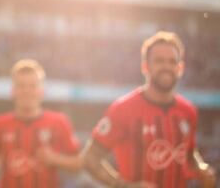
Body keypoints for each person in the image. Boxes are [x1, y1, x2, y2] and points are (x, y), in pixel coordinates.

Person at [82, 31, 217, 188]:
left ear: (180, 68)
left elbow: (188, 153)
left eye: (172, 61)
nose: (166, 66)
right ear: (145, 66)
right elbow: (89, 158)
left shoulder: (188, 111)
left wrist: (201, 168)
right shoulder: (123, 109)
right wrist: (122, 185)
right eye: (159, 61)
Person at [0, 59, 82, 188]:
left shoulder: (59, 122)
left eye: (33, 86)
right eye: (21, 85)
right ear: (13, 90)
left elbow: (79, 165)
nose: (27, 90)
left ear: (42, 91)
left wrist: (54, 159)